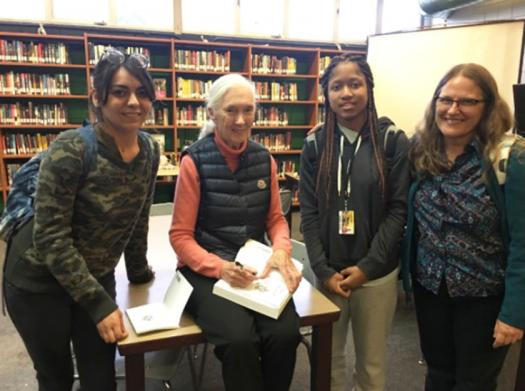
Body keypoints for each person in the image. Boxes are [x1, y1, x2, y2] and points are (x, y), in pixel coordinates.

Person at [3, 48, 160, 391]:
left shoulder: (150, 150)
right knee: (56, 377)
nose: (134, 102)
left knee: (101, 377)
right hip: (38, 282)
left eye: (143, 92)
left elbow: (138, 216)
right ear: (97, 96)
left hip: (94, 276)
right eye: (120, 91)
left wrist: (138, 272)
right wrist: (98, 304)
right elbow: (50, 238)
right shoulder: (70, 149)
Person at [169, 73, 302, 391]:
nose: (241, 120)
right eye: (231, 110)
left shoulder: (263, 158)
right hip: (205, 271)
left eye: (248, 110)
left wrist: (281, 250)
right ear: (212, 113)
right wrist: (220, 268)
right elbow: (180, 237)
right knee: (240, 340)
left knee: (284, 334)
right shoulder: (194, 161)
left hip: (254, 266)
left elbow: (275, 219)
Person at [404, 63, 525, 390]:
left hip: (484, 296)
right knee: (438, 374)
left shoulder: (509, 159)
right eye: (445, 100)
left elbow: (523, 245)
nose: (453, 109)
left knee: (474, 382)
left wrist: (515, 314)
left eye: (467, 102)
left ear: (488, 107)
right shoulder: (422, 150)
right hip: (431, 289)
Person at [299, 53, 409, 391]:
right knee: (328, 361)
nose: (346, 93)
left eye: (355, 84)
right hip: (328, 272)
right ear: (326, 95)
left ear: (369, 89)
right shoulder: (315, 144)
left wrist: (368, 267)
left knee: (371, 365)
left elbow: (398, 211)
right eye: (336, 87)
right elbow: (309, 212)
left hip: (376, 276)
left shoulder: (392, 141)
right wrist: (322, 268)